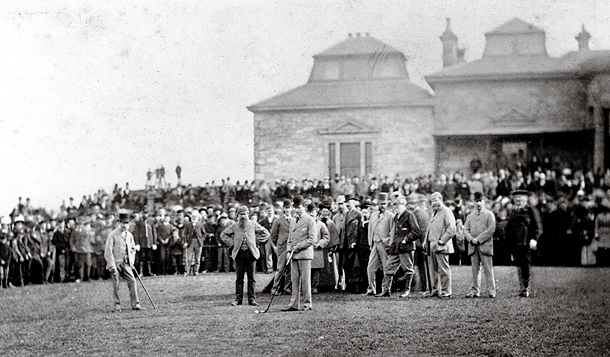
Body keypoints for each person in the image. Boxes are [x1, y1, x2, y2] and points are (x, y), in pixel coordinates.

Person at [220, 205, 270, 306]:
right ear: (237, 215)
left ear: (248, 214)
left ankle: (252, 299)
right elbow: (223, 235)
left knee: (252, 278)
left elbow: (266, 233)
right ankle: (238, 299)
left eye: (245, 214)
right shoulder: (234, 226)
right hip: (239, 254)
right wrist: (232, 243)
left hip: (251, 253)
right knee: (239, 278)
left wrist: (256, 241)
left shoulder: (253, 224)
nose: (243, 216)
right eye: (241, 214)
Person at [378, 195, 421, 297]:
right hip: (396, 248)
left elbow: (417, 232)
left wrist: (406, 239)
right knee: (389, 268)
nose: (394, 207)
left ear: (402, 204)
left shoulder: (409, 215)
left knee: (408, 269)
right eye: (394, 205)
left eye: (396, 205)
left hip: (406, 248)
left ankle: (407, 290)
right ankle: (386, 290)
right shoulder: (396, 217)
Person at [505, 190, 543, 297]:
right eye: (516, 197)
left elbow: (538, 227)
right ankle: (522, 288)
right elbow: (509, 228)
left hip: (526, 242)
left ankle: (526, 288)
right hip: (516, 243)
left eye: (520, 197)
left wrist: (534, 239)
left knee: (525, 265)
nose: (518, 199)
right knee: (519, 265)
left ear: (525, 198)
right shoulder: (514, 211)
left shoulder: (531, 210)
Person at [104, 210, 143, 312]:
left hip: (126, 263)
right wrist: (112, 265)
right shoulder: (112, 235)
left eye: (126, 223)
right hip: (116, 264)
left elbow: (132, 249)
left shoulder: (129, 235)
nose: (124, 225)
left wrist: (132, 262)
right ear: (118, 223)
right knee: (116, 284)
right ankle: (117, 305)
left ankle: (135, 304)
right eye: (122, 223)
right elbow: (108, 252)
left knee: (132, 281)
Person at [282, 195, 316, 311]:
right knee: (294, 280)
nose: (297, 210)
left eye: (299, 207)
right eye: (295, 207)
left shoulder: (310, 220)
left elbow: (312, 239)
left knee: (305, 281)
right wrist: (288, 250)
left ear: (304, 207)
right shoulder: (292, 220)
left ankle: (307, 304)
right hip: (293, 255)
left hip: (305, 255)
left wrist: (297, 247)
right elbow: (289, 238)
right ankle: (293, 304)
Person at [463, 192, 497, 298]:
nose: (478, 203)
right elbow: (465, 230)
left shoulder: (489, 215)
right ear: (473, 202)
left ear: (484, 201)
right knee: (475, 269)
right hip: (473, 246)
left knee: (488, 268)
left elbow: (491, 229)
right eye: (476, 201)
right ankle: (475, 290)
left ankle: (491, 291)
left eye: (480, 201)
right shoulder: (470, 216)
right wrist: (471, 239)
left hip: (484, 246)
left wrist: (478, 239)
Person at [423, 192, 456, 298]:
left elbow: (452, 229)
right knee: (433, 270)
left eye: (435, 200)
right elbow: (429, 229)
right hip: (432, 245)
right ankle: (435, 290)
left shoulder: (446, 211)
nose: (434, 202)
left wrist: (442, 241)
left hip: (441, 246)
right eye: (432, 200)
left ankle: (447, 290)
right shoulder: (434, 213)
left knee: (443, 269)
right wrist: (425, 241)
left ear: (441, 199)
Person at [364, 192, 394, 296]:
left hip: (384, 243)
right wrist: (370, 243)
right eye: (380, 203)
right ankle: (371, 289)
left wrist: (389, 244)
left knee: (386, 267)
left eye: (384, 203)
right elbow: (370, 230)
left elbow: (392, 232)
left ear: (387, 204)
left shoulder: (390, 216)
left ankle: (386, 289)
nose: (382, 206)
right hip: (375, 243)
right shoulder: (373, 215)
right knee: (370, 267)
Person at [269, 199, 293, 295]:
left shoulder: (295, 220)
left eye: (289, 208)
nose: (288, 210)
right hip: (282, 247)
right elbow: (273, 236)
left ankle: (287, 288)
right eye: (286, 208)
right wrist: (276, 247)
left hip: (291, 247)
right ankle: (275, 288)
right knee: (280, 268)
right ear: (283, 208)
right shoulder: (278, 221)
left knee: (290, 268)